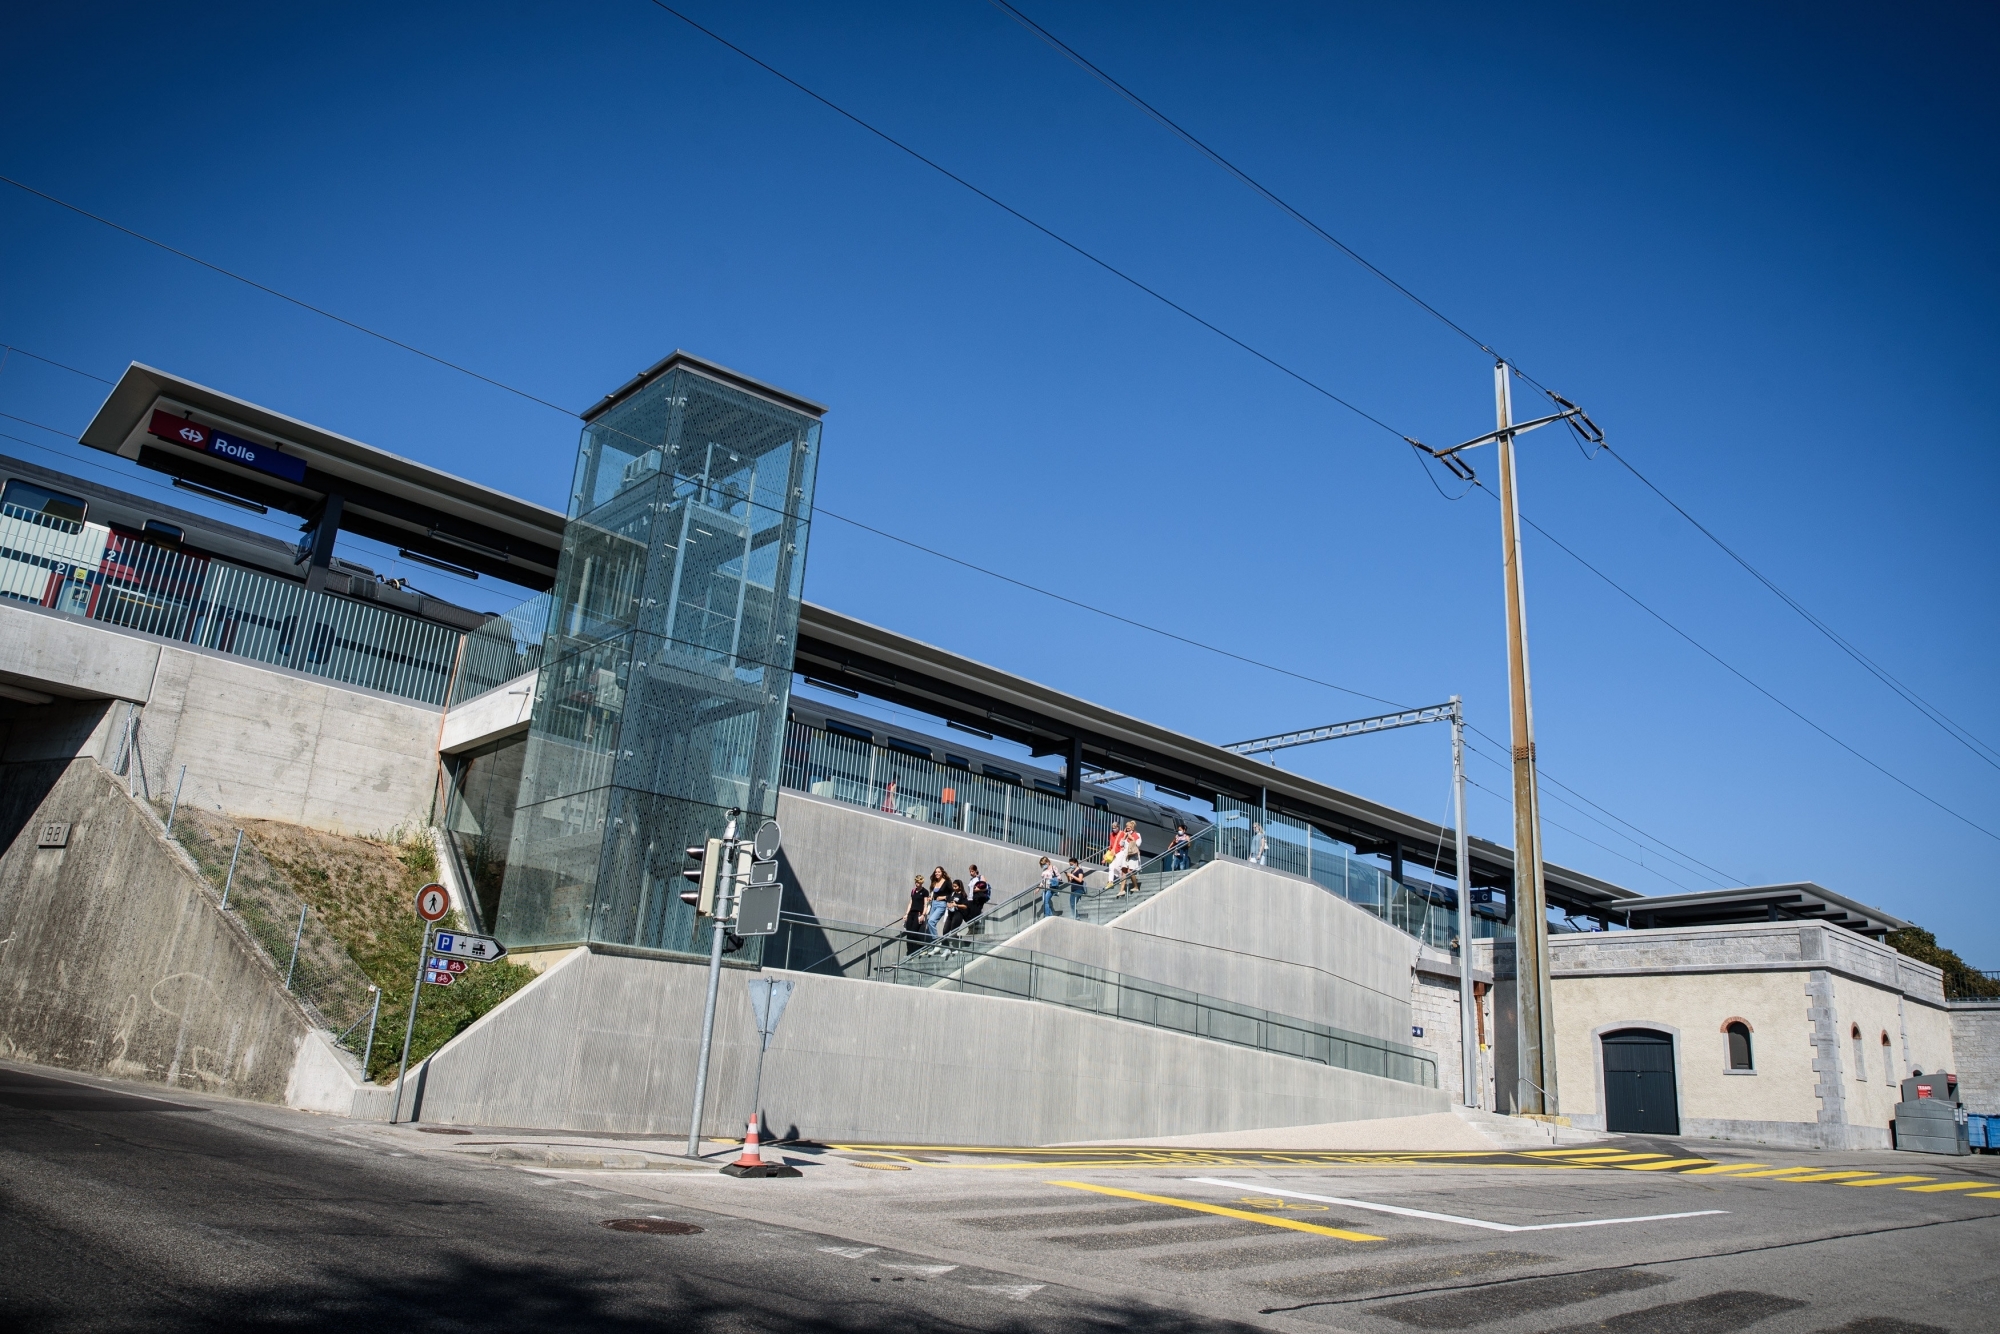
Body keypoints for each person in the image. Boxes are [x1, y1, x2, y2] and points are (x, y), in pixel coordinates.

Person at [902, 875, 928, 951]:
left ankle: (920, 947)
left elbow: (925, 904)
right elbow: (910, 902)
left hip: (918, 913)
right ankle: (909, 951)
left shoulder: (924, 892)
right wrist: (906, 914)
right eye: (916, 882)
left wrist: (923, 915)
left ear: (921, 882)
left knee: (914, 932)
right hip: (911, 913)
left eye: (919, 882)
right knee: (909, 933)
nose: (917, 884)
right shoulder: (913, 891)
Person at [964, 865, 990, 935]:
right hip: (970, 899)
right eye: (970, 871)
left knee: (974, 914)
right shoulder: (971, 880)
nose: (971, 873)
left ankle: (974, 930)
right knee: (966, 913)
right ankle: (971, 928)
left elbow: (986, 887)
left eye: (972, 871)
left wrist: (979, 889)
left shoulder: (980, 877)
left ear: (975, 871)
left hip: (977, 899)